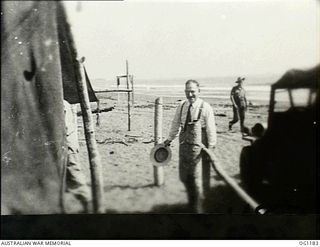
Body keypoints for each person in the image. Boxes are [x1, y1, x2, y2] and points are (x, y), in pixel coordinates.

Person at [164, 80, 217, 213]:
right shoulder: (181, 106)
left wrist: (211, 147)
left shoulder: (206, 107)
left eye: (193, 91)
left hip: (201, 144)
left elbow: (211, 129)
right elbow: (175, 124)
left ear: (199, 91)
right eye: (187, 91)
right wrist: (169, 139)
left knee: (198, 176)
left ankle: (199, 207)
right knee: (185, 175)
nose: (190, 94)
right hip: (184, 144)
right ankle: (192, 201)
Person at [64, 100, 91, 213]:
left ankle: (88, 202)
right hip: (67, 143)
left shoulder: (62, 104)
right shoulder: (64, 103)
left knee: (74, 172)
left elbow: (65, 127)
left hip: (68, 144)